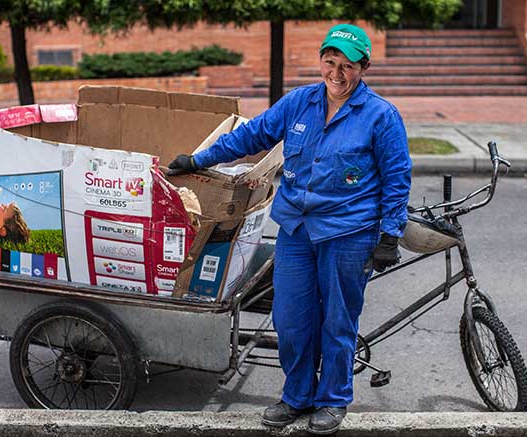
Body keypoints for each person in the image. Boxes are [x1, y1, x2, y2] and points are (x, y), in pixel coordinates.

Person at [169, 23, 411, 434]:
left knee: (338, 321)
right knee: (291, 318)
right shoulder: (299, 103)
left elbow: (396, 175)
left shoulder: (381, 117)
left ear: (363, 68)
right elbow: (251, 135)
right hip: (297, 230)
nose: (336, 72)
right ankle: (297, 396)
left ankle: (332, 400)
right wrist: (200, 160)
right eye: (330, 62)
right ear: (321, 61)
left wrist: (390, 235)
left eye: (347, 66)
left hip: (348, 234)